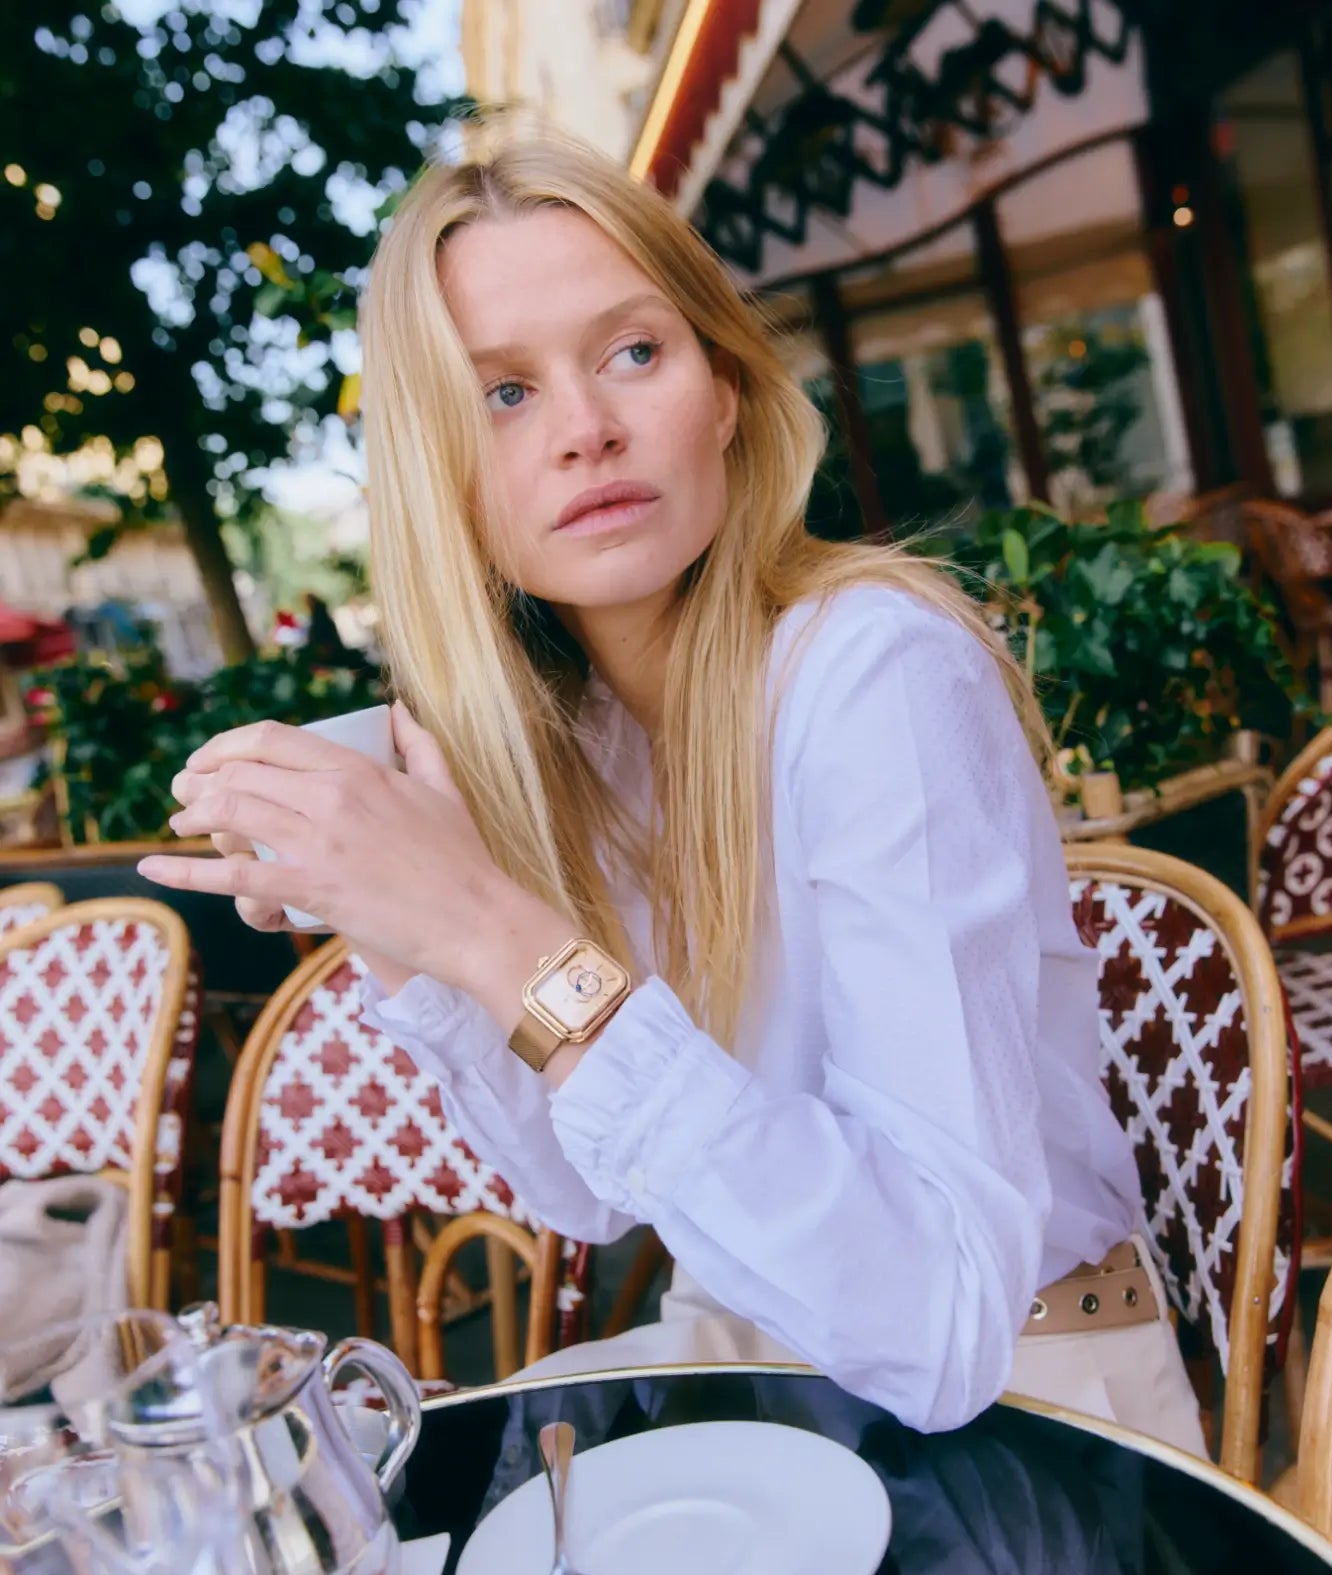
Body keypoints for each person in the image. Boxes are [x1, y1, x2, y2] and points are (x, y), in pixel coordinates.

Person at [138, 124, 1206, 1455]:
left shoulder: (874, 674)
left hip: (1040, 1410)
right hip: (759, 1375)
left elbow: (941, 1320)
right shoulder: (574, 743)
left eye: (634, 353)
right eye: (504, 394)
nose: (586, 429)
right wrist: (403, 926)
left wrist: (489, 928)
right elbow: (581, 1195)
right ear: (442, 478)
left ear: (729, 392)